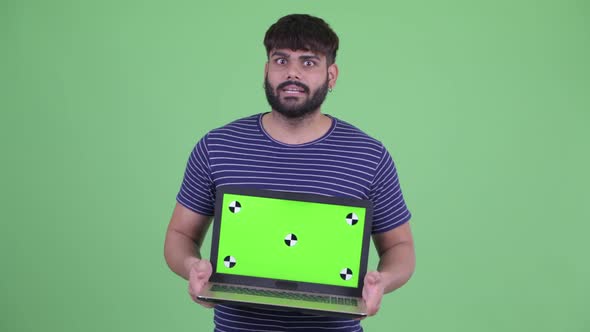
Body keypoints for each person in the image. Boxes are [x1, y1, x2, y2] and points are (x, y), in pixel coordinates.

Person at [164, 14, 415, 332]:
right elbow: (180, 236)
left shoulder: (369, 155)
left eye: (309, 62)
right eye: (281, 60)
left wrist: (383, 280)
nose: (292, 73)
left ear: (332, 75)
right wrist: (192, 268)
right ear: (266, 70)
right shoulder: (217, 146)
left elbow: (400, 248)